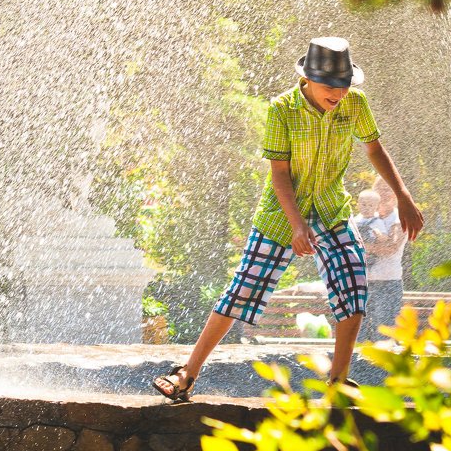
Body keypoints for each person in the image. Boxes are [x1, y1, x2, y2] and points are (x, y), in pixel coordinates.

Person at [151, 37, 424, 401]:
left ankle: (338, 381)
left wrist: (404, 197)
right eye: (330, 86)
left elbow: (374, 149)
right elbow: (279, 173)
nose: (338, 94)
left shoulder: (355, 104)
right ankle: (187, 372)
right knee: (242, 291)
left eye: (343, 86)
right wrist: (297, 225)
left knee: (354, 288)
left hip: (331, 211)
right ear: (308, 80)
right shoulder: (282, 109)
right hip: (281, 215)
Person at [358, 177, 408, 341]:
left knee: (384, 333)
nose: (384, 193)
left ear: (396, 194)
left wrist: (362, 246)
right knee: (360, 333)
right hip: (362, 282)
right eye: (379, 188)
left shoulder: (400, 219)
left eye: (388, 188)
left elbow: (390, 249)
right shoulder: (364, 217)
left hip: (387, 283)